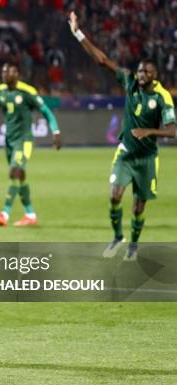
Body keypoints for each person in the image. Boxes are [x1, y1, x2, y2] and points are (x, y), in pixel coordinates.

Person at [68, 12, 176, 260]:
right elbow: (102, 59)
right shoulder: (130, 82)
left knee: (139, 206)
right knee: (115, 195)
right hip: (126, 152)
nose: (140, 75)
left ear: (154, 76)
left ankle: (134, 246)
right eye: (139, 71)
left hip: (147, 158)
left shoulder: (162, 97)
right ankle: (118, 237)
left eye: (146, 73)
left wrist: (149, 131)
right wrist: (77, 32)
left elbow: (172, 130)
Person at [0, 62, 62, 227]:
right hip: (9, 141)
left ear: (17, 73)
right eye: (3, 72)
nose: (5, 74)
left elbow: (46, 111)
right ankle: (30, 214)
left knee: (15, 172)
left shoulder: (27, 92)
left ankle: (5, 213)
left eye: (9, 72)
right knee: (20, 177)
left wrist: (56, 131)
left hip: (24, 140)